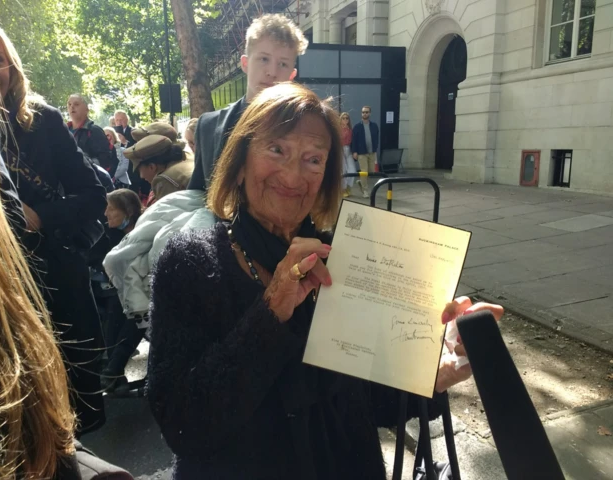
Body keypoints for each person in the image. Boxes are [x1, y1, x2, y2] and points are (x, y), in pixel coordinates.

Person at [147, 83, 504, 479]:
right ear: (241, 159)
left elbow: (371, 401)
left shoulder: (349, 258)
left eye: (313, 159)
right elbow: (184, 424)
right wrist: (270, 313)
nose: (292, 174)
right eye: (277, 149)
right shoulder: (192, 263)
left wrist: (429, 374)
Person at [0, 11, 133, 479]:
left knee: (64, 423)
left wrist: (41, 217)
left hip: (52, 290)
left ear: (13, 66)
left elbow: (92, 195)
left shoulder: (40, 121)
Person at [188, 13, 306, 191]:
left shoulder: (305, 127)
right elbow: (197, 193)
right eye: (264, 59)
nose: (272, 72)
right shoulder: (208, 127)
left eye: (282, 64)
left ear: (292, 75)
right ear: (245, 63)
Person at [100, 189, 145, 394]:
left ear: (127, 211)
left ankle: (113, 370)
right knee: (113, 325)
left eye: (111, 208)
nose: (106, 213)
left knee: (133, 323)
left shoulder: (144, 232)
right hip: (119, 292)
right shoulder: (110, 234)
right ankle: (114, 374)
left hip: (141, 295)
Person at [124, 128, 193, 207]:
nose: (141, 176)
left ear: (151, 167)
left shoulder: (164, 180)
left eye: (139, 169)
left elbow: (165, 216)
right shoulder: (185, 161)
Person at [67, 93, 116, 173]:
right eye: (69, 104)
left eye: (76, 104)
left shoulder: (94, 131)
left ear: (86, 109)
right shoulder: (63, 130)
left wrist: (84, 165)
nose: (72, 107)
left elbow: (105, 160)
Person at [351, 105, 379, 198]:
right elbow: (353, 140)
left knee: (371, 172)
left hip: (372, 152)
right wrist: (354, 152)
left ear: (369, 113)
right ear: (361, 113)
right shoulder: (357, 127)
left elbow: (376, 138)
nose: (365, 114)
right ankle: (365, 191)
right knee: (364, 171)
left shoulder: (374, 126)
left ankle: (361, 182)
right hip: (361, 153)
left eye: (366, 112)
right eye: (363, 112)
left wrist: (375, 149)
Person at [340, 112, 357, 198]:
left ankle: (349, 187)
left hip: (349, 149)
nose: (345, 120)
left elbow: (353, 141)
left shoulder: (351, 129)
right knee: (343, 170)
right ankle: (343, 188)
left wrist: (354, 151)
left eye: (347, 118)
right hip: (341, 149)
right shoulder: (338, 129)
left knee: (352, 170)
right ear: (341, 119)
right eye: (343, 118)